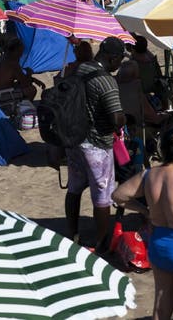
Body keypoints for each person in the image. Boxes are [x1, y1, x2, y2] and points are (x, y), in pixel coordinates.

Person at [113, 127, 173, 320]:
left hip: (158, 244)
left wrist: (145, 210)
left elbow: (118, 195)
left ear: (162, 150)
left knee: (161, 300)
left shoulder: (149, 175)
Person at [64, 36, 126, 253]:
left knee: (74, 188)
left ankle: (72, 233)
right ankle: (101, 241)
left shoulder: (80, 69)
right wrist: (126, 118)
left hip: (74, 140)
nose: (120, 65)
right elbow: (116, 118)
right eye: (119, 60)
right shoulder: (106, 81)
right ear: (112, 57)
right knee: (102, 194)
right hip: (97, 144)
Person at [0, 37, 43, 102]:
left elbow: (21, 78)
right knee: (31, 90)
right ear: (16, 51)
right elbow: (25, 83)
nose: (21, 54)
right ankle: (23, 109)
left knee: (19, 85)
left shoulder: (4, 57)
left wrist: (33, 79)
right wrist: (29, 74)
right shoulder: (13, 63)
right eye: (21, 51)